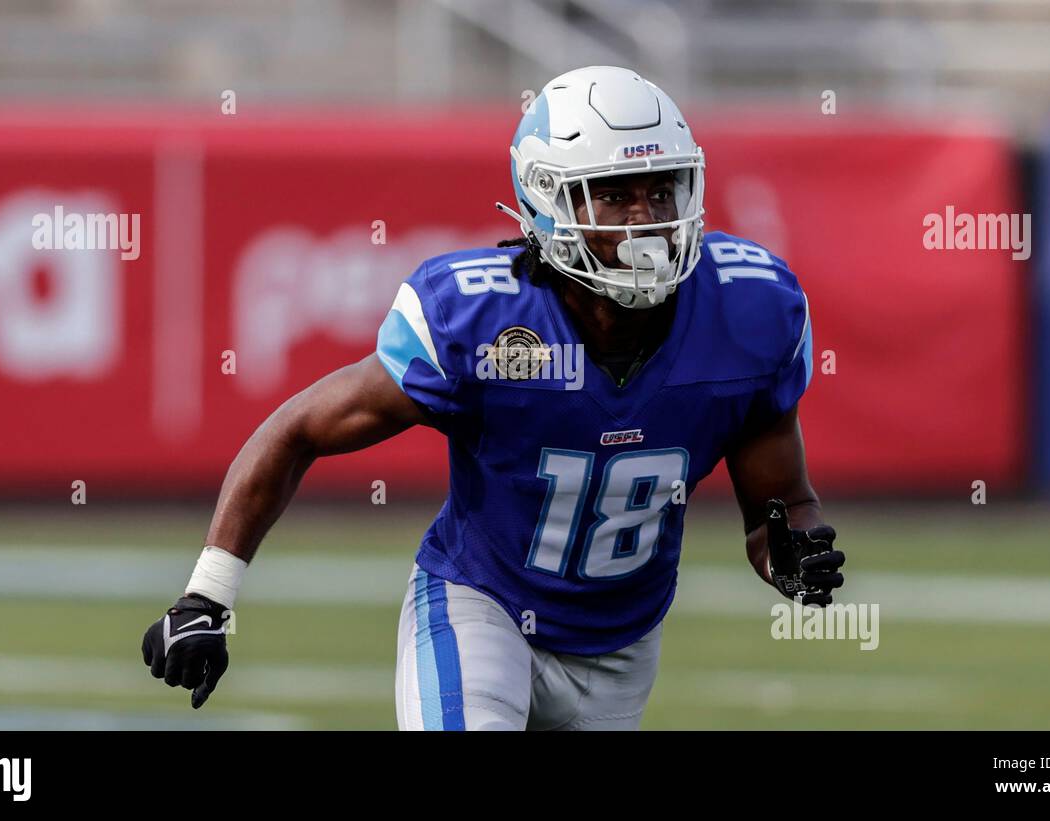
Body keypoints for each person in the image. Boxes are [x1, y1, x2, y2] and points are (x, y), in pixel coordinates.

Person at [141, 65, 844, 730]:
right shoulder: (481, 317)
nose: (646, 219)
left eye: (661, 190)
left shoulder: (747, 311)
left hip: (624, 641)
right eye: (616, 193)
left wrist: (792, 551)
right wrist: (208, 592)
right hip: (482, 608)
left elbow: (779, 506)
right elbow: (299, 429)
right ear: (549, 198)